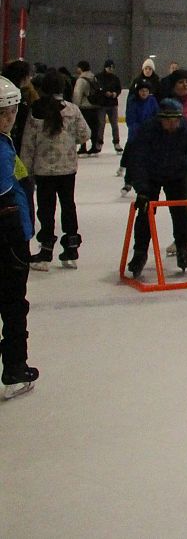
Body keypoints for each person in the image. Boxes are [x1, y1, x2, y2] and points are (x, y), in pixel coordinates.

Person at [123, 99, 187, 279]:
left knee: (181, 212)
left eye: (175, 120)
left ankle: (182, 248)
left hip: (177, 174)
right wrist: (142, 189)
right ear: (160, 119)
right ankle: (140, 252)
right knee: (145, 212)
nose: (172, 124)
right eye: (168, 120)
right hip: (151, 175)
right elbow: (138, 160)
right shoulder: (148, 130)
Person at [21, 72, 90, 271]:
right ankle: (71, 249)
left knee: (46, 209)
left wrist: (25, 171)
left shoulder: (36, 110)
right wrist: (69, 142)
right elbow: (85, 134)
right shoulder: (72, 110)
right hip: (67, 169)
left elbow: (28, 144)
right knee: (68, 206)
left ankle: (45, 251)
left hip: (43, 171)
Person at [0, 76, 40, 398]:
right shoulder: (1, 150)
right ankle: (14, 369)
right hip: (9, 241)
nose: (9, 119)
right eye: (3, 113)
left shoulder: (6, 144)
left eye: (12, 112)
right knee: (14, 305)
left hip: (15, 234)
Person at [120, 79, 159, 192]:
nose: (144, 93)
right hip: (136, 136)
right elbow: (130, 119)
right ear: (138, 91)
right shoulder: (133, 101)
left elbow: (157, 116)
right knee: (133, 159)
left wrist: (153, 129)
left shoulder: (152, 100)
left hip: (150, 136)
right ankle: (128, 182)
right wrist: (140, 131)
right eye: (142, 90)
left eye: (146, 91)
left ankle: (148, 181)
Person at [70, 61, 104, 156]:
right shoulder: (94, 77)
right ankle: (94, 146)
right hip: (95, 106)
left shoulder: (81, 80)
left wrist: (75, 106)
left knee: (83, 127)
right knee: (94, 127)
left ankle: (83, 146)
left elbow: (77, 94)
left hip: (85, 107)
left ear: (81, 68)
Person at [96, 60, 124, 155]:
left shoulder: (115, 78)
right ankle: (99, 142)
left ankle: (116, 142)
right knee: (101, 124)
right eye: (109, 67)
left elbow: (119, 89)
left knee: (114, 124)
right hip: (102, 104)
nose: (111, 69)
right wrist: (104, 93)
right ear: (105, 67)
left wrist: (115, 93)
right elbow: (97, 88)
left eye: (112, 68)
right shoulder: (99, 77)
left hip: (113, 104)